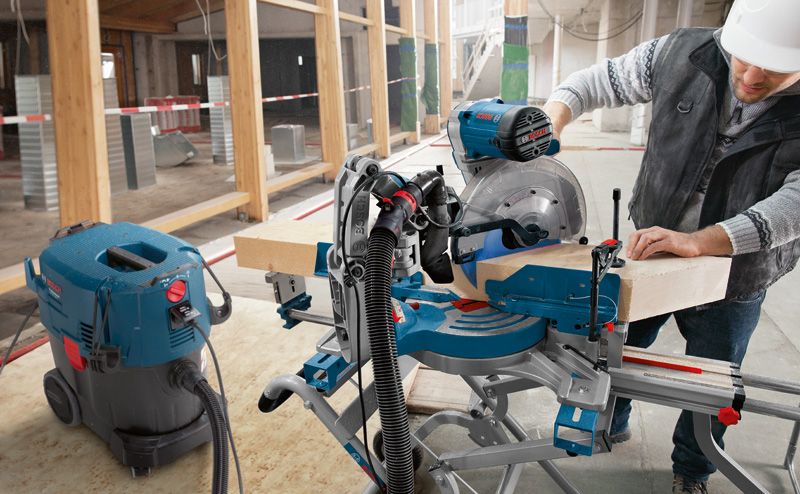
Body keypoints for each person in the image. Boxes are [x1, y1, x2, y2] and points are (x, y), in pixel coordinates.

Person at [541, 0, 800, 492]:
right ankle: (610, 422)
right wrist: (554, 118)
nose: (751, 75)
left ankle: (693, 469)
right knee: (616, 349)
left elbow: (793, 208)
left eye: (775, 68)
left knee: (713, 384)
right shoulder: (682, 53)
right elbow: (595, 82)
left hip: (735, 273)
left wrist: (699, 241)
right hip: (649, 250)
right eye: (744, 58)